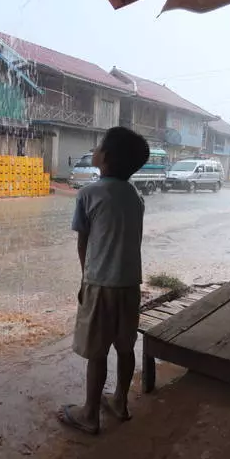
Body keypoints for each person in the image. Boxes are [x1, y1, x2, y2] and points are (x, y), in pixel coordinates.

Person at [58, 126, 150, 435]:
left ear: (105, 158)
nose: (94, 149)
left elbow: (83, 244)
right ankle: (120, 403)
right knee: (125, 347)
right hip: (129, 285)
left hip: (100, 284)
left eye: (98, 146)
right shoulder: (136, 197)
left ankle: (89, 414)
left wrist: (85, 282)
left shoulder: (88, 193)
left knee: (97, 353)